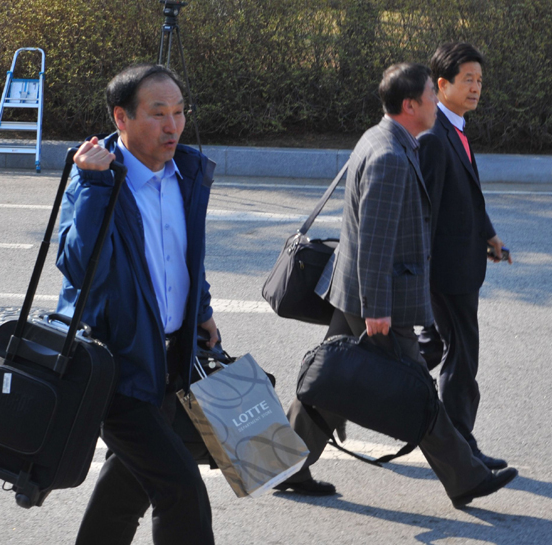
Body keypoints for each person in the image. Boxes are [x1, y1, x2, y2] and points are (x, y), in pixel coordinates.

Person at [276, 62, 518, 509]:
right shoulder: (389, 156)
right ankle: (465, 477)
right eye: (431, 95)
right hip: (376, 297)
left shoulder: (383, 136)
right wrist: (378, 309)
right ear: (411, 105)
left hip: (356, 290)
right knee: (416, 389)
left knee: (332, 380)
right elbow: (374, 241)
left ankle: (284, 462)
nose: (436, 102)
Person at [55, 63, 219, 545]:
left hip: (171, 357)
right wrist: (93, 186)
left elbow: (186, 256)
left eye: (179, 112)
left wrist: (202, 310)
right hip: (118, 365)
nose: (172, 126)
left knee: (125, 490)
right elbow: (81, 268)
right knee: (182, 489)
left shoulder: (186, 172)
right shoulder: (97, 177)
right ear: (121, 118)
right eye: (158, 114)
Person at [416, 42, 512, 470]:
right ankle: (459, 446)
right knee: (462, 356)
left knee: (431, 351)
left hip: (461, 266)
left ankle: (357, 397)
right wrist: (424, 277)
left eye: (479, 80)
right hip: (446, 274)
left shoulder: (455, 128)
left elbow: (466, 198)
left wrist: (488, 236)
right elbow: (426, 212)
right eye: (467, 79)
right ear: (442, 84)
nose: (475, 88)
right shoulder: (435, 137)